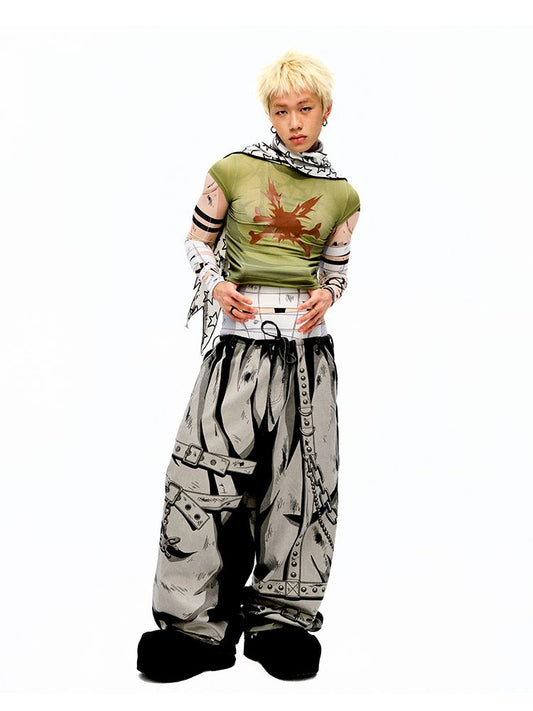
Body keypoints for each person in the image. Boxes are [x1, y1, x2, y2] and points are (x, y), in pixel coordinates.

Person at [137, 49, 360, 683]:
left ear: (325, 110)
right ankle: (193, 629)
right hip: (237, 349)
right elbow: (197, 239)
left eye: (304, 108)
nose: (294, 121)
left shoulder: (343, 195)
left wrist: (328, 294)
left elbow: (337, 269)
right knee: (205, 475)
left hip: (306, 355)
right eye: (281, 110)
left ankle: (282, 623)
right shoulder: (232, 170)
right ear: (269, 112)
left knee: (303, 482)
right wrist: (214, 284)